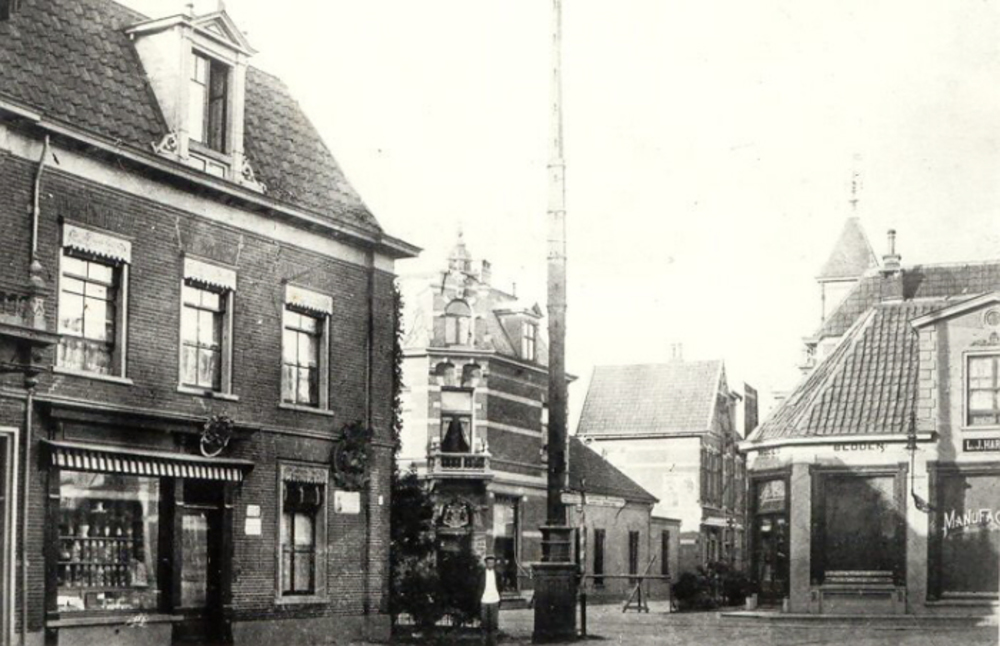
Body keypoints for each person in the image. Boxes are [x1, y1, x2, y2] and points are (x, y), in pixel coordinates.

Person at [478, 555, 502, 645]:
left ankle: (493, 642)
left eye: (492, 563)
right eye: (489, 563)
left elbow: (500, 586)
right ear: (486, 564)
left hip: (494, 600)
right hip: (484, 600)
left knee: (494, 623)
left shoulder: (497, 574)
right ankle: (484, 642)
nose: (490, 564)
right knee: (484, 622)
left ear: (494, 564)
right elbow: (478, 586)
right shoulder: (481, 574)